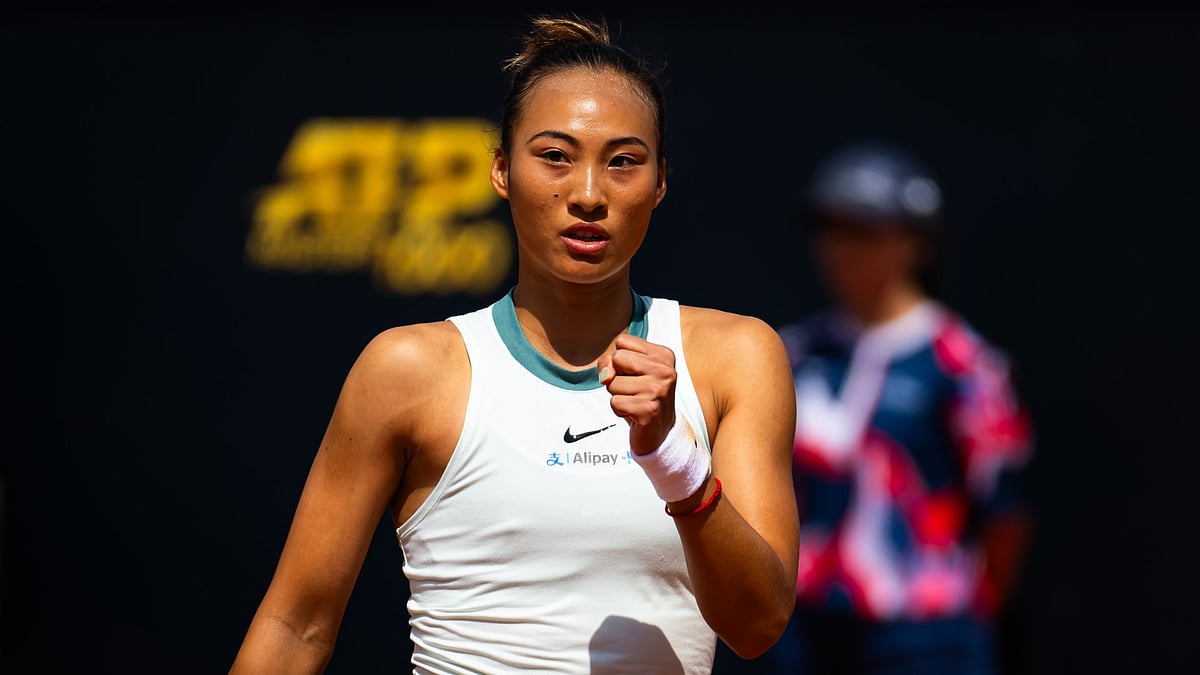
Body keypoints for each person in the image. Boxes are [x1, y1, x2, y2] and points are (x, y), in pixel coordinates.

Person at [229, 14, 799, 675]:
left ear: (661, 181)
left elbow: (758, 626)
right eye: (555, 155)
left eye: (623, 162)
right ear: (501, 170)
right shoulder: (408, 370)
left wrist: (673, 455)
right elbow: (296, 625)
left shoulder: (736, 356)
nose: (588, 193)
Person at [766, 141, 1035, 674]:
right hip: (809, 626)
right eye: (830, 229)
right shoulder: (793, 352)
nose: (842, 249)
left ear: (914, 243)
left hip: (927, 634)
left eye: (863, 231)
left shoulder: (963, 364)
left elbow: (1004, 511)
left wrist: (966, 612)